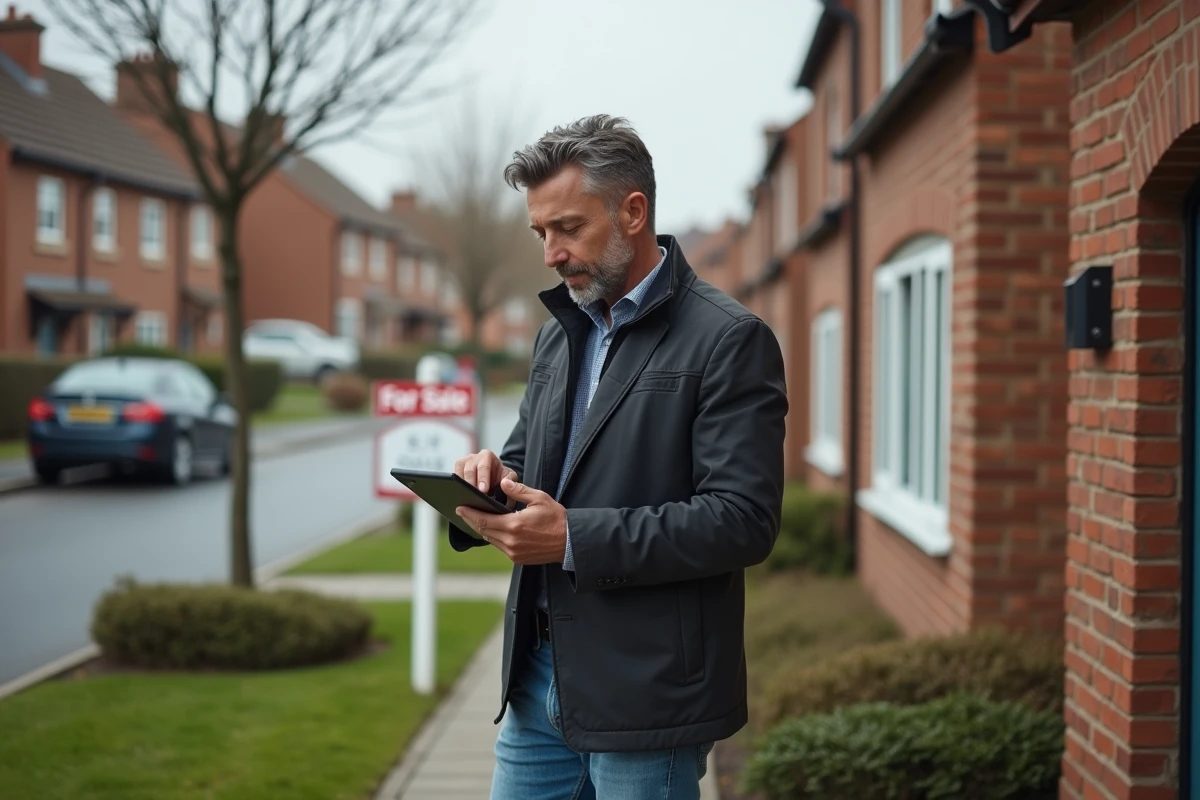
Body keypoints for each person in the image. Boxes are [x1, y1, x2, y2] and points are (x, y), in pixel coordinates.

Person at [451, 114, 787, 800]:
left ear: (633, 211)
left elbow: (743, 519)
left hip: (648, 696)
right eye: (540, 233)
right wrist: (492, 480)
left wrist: (573, 537)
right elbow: (527, 463)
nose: (550, 253)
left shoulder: (729, 340)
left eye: (567, 228)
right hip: (537, 678)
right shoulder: (558, 336)